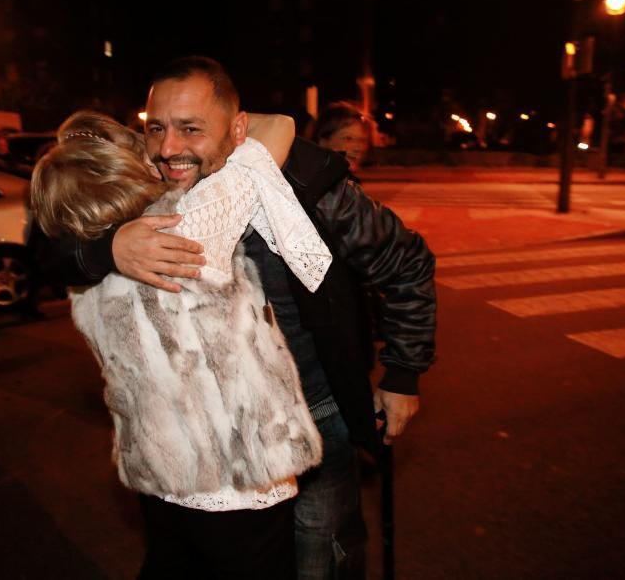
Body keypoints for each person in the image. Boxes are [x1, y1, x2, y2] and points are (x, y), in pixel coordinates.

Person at [45, 57, 437, 580]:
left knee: (321, 561)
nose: (168, 148)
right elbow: (43, 241)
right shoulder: (140, 195)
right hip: (210, 446)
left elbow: (406, 261)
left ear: (237, 128)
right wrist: (106, 250)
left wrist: (404, 373)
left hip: (317, 410)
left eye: (190, 129)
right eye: (156, 128)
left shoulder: (308, 187)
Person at [31, 110, 331, 579]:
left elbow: (47, 244)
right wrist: (189, 132)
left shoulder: (84, 278)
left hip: (165, 471)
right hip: (238, 477)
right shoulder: (189, 227)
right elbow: (279, 127)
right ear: (129, 173)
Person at [310, 101, 374, 173]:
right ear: (323, 142)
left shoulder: (351, 182)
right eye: (348, 139)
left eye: (362, 140)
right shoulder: (310, 180)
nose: (358, 148)